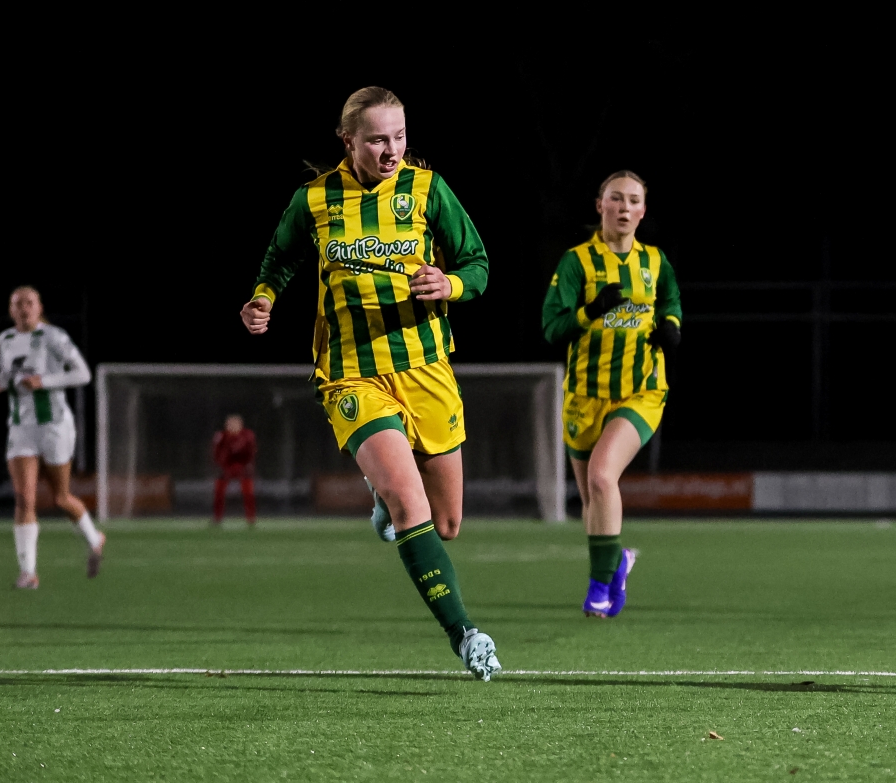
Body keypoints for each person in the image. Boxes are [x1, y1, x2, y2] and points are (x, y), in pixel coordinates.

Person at [242, 86, 501, 679]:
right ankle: (466, 634)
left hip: (426, 368)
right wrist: (262, 299)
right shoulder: (314, 200)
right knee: (410, 500)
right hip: (350, 371)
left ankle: (384, 505)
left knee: (448, 521)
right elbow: (278, 260)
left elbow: (478, 265)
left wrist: (451, 285)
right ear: (348, 140)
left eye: (401, 136)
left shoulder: (428, 190)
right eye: (379, 139)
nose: (392, 150)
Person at [542, 170, 681, 618]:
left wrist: (671, 329)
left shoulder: (656, 262)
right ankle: (616, 559)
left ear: (643, 211)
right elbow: (552, 328)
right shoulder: (576, 263)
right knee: (592, 500)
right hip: (584, 397)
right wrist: (589, 311)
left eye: (633, 200)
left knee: (603, 478)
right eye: (615, 198)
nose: (624, 207)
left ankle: (599, 589)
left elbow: (671, 303)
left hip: (640, 392)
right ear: (599, 205)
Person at [0, 288, 103, 588]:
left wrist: (44, 381)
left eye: (29, 303)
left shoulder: (54, 336)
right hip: (20, 427)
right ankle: (28, 573)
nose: (23, 308)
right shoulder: (4, 339)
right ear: (11, 310)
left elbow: (83, 374)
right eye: (17, 304)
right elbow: (9, 373)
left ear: (39, 308)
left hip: (54, 426)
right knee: (24, 498)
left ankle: (94, 537)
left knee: (61, 498)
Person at [212, 414, 258, 527]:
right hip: (226, 467)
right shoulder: (221, 436)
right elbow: (216, 452)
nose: (232, 426)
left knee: (248, 493)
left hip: (242, 466)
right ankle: (217, 518)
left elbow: (251, 451)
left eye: (235, 424)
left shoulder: (247, 435)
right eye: (229, 424)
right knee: (219, 492)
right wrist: (220, 465)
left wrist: (248, 464)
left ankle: (250, 518)